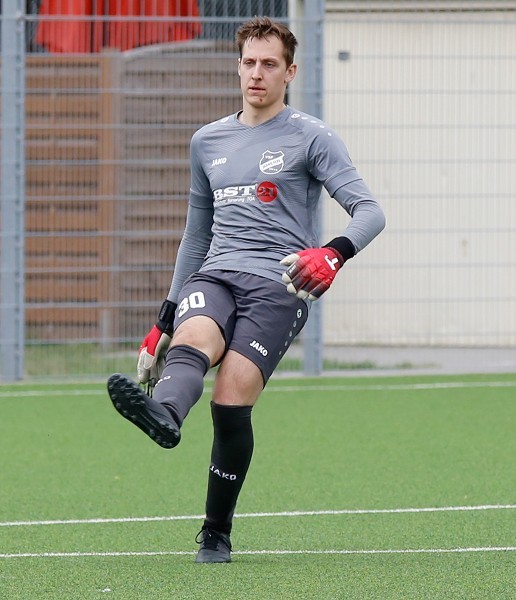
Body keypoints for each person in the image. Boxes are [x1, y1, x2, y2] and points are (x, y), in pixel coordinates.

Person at [106, 17, 385, 563]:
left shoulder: (312, 136)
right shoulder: (207, 141)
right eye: (250, 63)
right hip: (215, 273)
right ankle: (164, 415)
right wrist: (162, 321)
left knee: (231, 397)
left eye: (270, 64)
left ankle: (216, 531)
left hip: (278, 285)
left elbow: (370, 212)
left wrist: (333, 253)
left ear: (290, 72)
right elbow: (196, 236)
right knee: (193, 339)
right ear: (238, 67)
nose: (258, 73)